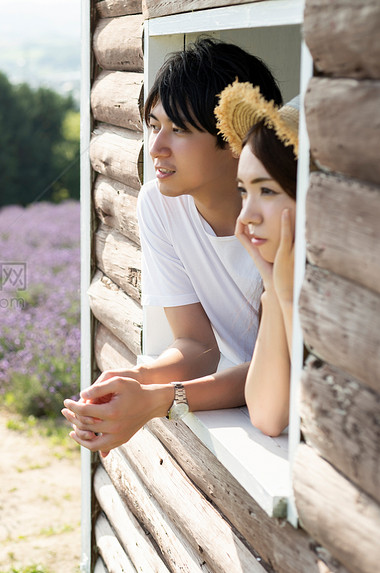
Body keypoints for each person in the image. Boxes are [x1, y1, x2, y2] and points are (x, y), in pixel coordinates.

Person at [62, 38, 282, 455]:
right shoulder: (160, 204)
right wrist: (134, 381)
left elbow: (282, 373)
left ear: (235, 138)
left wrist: (159, 400)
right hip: (255, 405)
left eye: (178, 130)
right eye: (154, 125)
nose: (157, 147)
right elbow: (198, 347)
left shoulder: (286, 215)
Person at [215, 82, 300, 437]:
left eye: (266, 190)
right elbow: (267, 416)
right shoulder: (284, 282)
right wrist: (273, 289)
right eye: (243, 191)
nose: (246, 214)